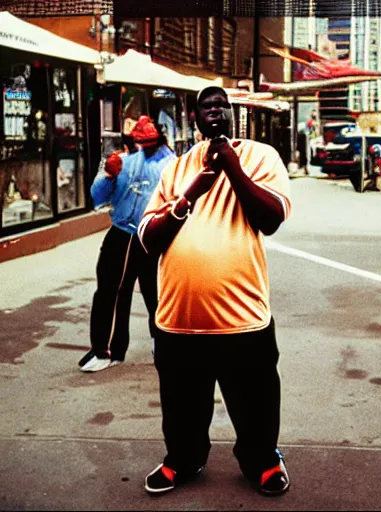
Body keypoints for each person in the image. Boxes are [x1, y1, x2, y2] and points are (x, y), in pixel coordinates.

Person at [138, 86, 292, 496]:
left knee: (256, 397)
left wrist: (232, 167)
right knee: (181, 401)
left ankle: (262, 461)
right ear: (195, 117)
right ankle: (182, 460)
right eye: (208, 106)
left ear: (232, 113)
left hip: (242, 314)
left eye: (223, 105)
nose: (216, 111)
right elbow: (149, 238)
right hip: (179, 316)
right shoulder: (177, 168)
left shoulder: (260, 156)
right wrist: (191, 193)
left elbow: (271, 217)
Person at [79, 115, 176, 372]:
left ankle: (162, 342)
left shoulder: (173, 166)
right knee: (109, 291)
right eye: (137, 141)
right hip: (121, 232)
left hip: (153, 234)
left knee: (156, 294)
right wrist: (109, 175)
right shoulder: (123, 161)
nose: (141, 146)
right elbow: (97, 198)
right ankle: (105, 349)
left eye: (146, 141)